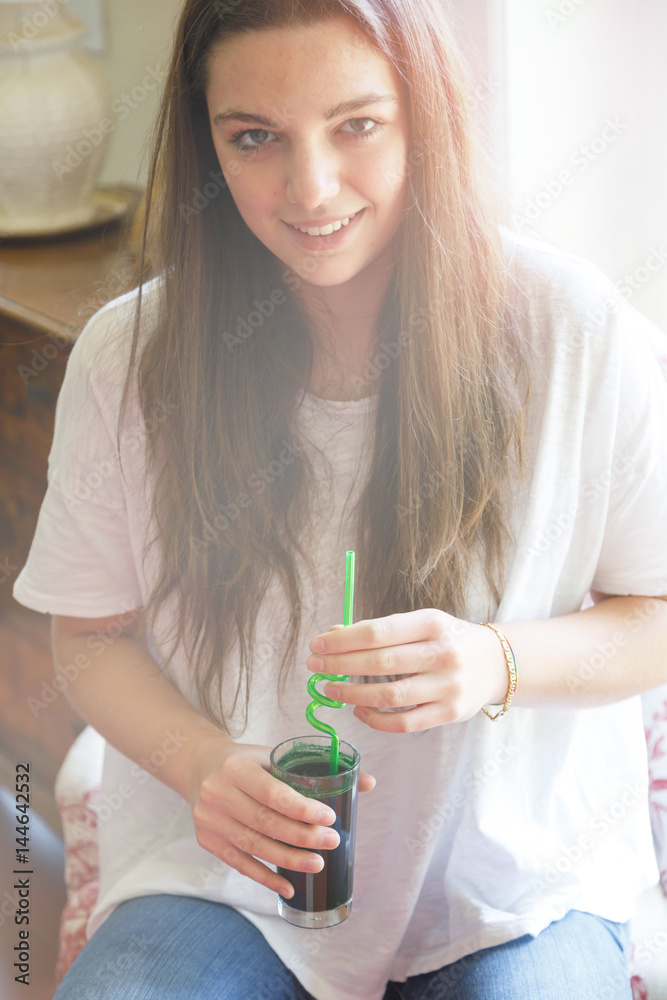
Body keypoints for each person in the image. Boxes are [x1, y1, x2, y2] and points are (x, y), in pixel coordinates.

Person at [12, 0, 667, 997]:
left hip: (518, 887)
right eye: (254, 137)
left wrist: (495, 661)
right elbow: (88, 637)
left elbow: (654, 616)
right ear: (206, 143)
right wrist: (199, 763)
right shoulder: (129, 357)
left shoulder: (576, 332)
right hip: (221, 885)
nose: (309, 189)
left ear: (425, 114)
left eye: (355, 124)